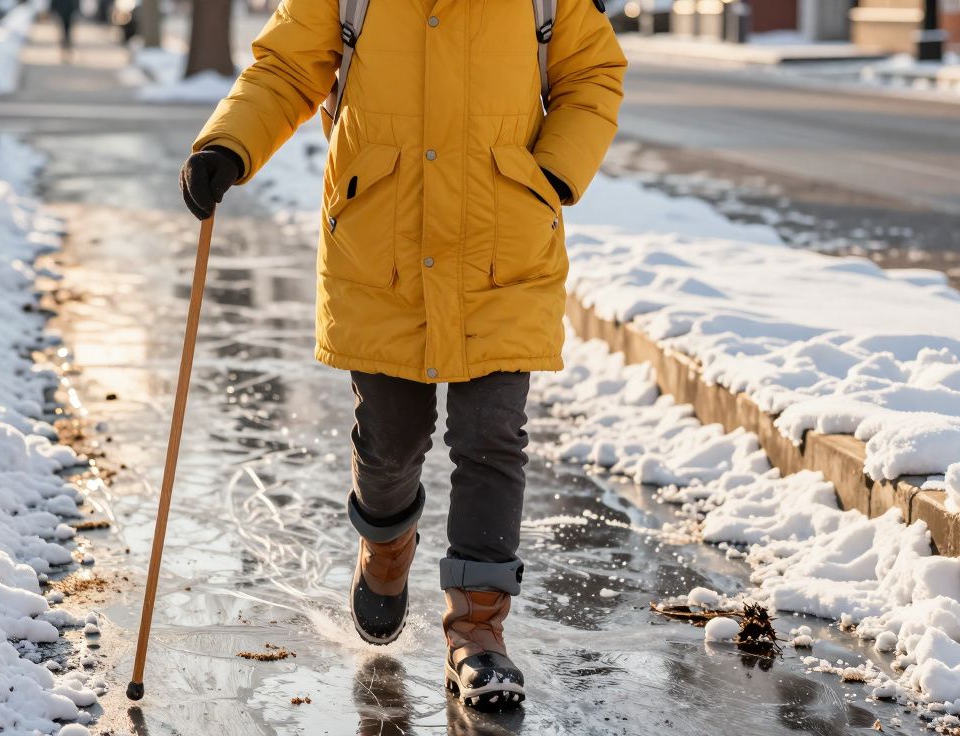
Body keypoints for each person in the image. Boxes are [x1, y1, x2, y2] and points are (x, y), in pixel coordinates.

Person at [179, 0, 626, 711]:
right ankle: (385, 552)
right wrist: (228, 144)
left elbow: (591, 72)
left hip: (502, 240)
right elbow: (288, 66)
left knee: (491, 437)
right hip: (381, 241)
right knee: (390, 442)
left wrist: (553, 172)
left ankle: (477, 632)